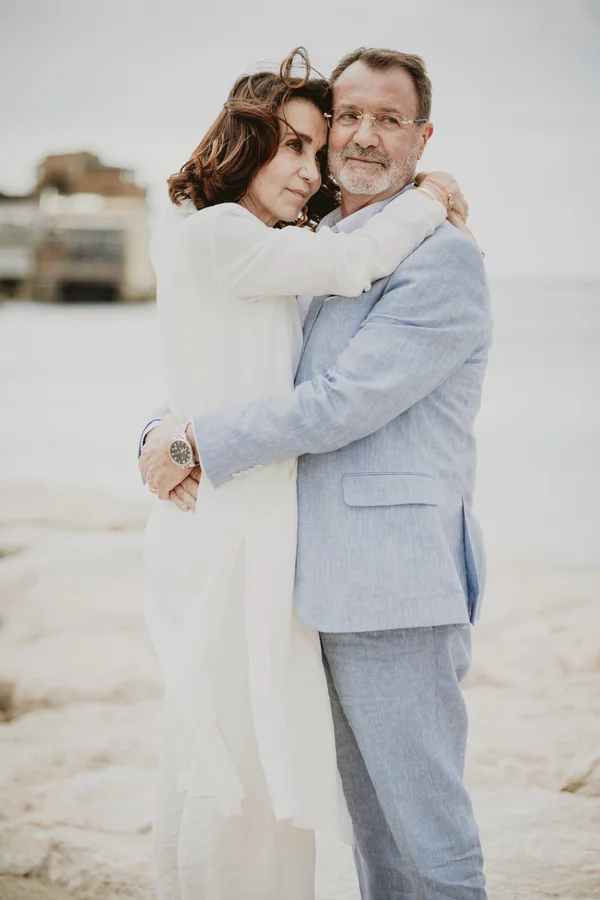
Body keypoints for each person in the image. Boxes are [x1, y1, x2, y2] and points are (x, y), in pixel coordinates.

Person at [140, 46, 484, 900]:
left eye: (389, 120)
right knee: (374, 840)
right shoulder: (305, 244)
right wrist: (159, 433)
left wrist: (197, 443)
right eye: (348, 117)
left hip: (392, 587)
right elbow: (238, 371)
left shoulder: (439, 257)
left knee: (426, 839)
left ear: (422, 138)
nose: (363, 136)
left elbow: (340, 404)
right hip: (294, 589)